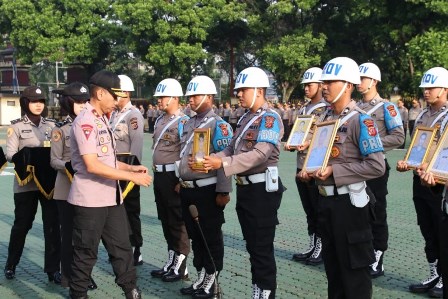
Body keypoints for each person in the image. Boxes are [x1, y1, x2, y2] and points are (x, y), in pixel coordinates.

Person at [298, 57, 385, 299]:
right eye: (323, 82)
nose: (324, 86)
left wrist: (336, 171)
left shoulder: (361, 120)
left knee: (354, 276)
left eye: (330, 82)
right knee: (334, 274)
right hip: (325, 202)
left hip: (350, 207)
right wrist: (309, 169)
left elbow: (376, 166)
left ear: (347, 85)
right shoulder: (324, 119)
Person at [67, 70, 152, 299]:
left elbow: (108, 160)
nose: (117, 102)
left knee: (122, 248)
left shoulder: (102, 119)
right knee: (86, 253)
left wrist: (131, 168)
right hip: (90, 201)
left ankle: (131, 290)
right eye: (114, 97)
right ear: (101, 93)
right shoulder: (85, 122)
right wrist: (131, 178)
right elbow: (92, 165)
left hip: (111, 198)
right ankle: (79, 294)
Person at [204, 66, 285, 298]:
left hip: (262, 190)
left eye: (243, 90)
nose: (238, 94)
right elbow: (231, 148)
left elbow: (260, 154)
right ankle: (257, 290)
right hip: (247, 189)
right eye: (238, 90)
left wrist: (224, 164)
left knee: (261, 248)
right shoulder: (246, 118)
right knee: (253, 246)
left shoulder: (270, 119)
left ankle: (265, 293)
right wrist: (213, 159)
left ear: (259, 90)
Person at [179, 75, 233, 298]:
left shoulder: (218, 124)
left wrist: (223, 190)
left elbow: (225, 159)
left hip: (207, 189)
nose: (191, 100)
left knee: (209, 235)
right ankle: (201, 277)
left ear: (209, 97)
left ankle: (212, 279)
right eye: (190, 96)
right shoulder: (190, 122)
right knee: (195, 236)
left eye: (195, 95)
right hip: (188, 188)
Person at [396, 67, 448, 297]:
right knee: (426, 228)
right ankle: (434, 271)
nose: (426, 92)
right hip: (420, 178)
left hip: (439, 182)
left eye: (431, 87)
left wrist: (432, 166)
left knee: (441, 230)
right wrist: (409, 161)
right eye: (424, 88)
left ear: (444, 89)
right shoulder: (424, 115)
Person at [4, 86, 61, 283]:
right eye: (33, 101)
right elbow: (10, 155)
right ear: (25, 103)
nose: (38, 105)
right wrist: (27, 154)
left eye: (41, 101)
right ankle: (11, 264)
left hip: (49, 185)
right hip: (25, 185)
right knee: (22, 225)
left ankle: (53, 269)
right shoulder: (17, 127)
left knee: (52, 227)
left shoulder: (52, 126)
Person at [356, 62, 405, 278]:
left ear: (374, 81)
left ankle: (378, 256)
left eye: (363, 78)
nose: (359, 82)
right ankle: (363, 252)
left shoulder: (387, 107)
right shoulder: (355, 107)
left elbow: (398, 137)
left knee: (377, 212)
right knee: (358, 212)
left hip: (376, 166)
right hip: (356, 166)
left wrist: (370, 143)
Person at [50, 82, 97, 289]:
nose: (82, 105)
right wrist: (70, 166)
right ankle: (69, 277)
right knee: (68, 236)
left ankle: (85, 275)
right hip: (66, 189)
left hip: (88, 189)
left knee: (87, 237)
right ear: (68, 103)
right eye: (78, 102)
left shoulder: (94, 123)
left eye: (85, 101)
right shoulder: (60, 130)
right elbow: (54, 160)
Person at [150, 78, 191, 283]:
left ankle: (181, 266)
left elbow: (185, 152)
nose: (159, 100)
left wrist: (180, 179)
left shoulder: (183, 122)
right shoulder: (159, 120)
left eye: (163, 97)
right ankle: (171, 259)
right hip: (160, 175)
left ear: (175, 98)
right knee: (165, 218)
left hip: (173, 176)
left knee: (177, 220)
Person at [288, 67, 329, 265]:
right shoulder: (305, 109)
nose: (306, 88)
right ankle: (313, 244)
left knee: (319, 208)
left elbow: (323, 136)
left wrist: (307, 143)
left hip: (315, 165)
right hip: (300, 163)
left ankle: (321, 247)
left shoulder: (325, 109)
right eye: (304, 85)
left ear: (321, 85)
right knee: (309, 209)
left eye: (309, 84)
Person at [109, 75, 145, 266]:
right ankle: (121, 248)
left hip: (129, 172)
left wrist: (134, 172)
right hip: (115, 169)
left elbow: (137, 147)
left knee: (131, 212)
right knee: (117, 212)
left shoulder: (133, 115)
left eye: (117, 92)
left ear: (126, 92)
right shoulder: (114, 114)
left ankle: (136, 248)